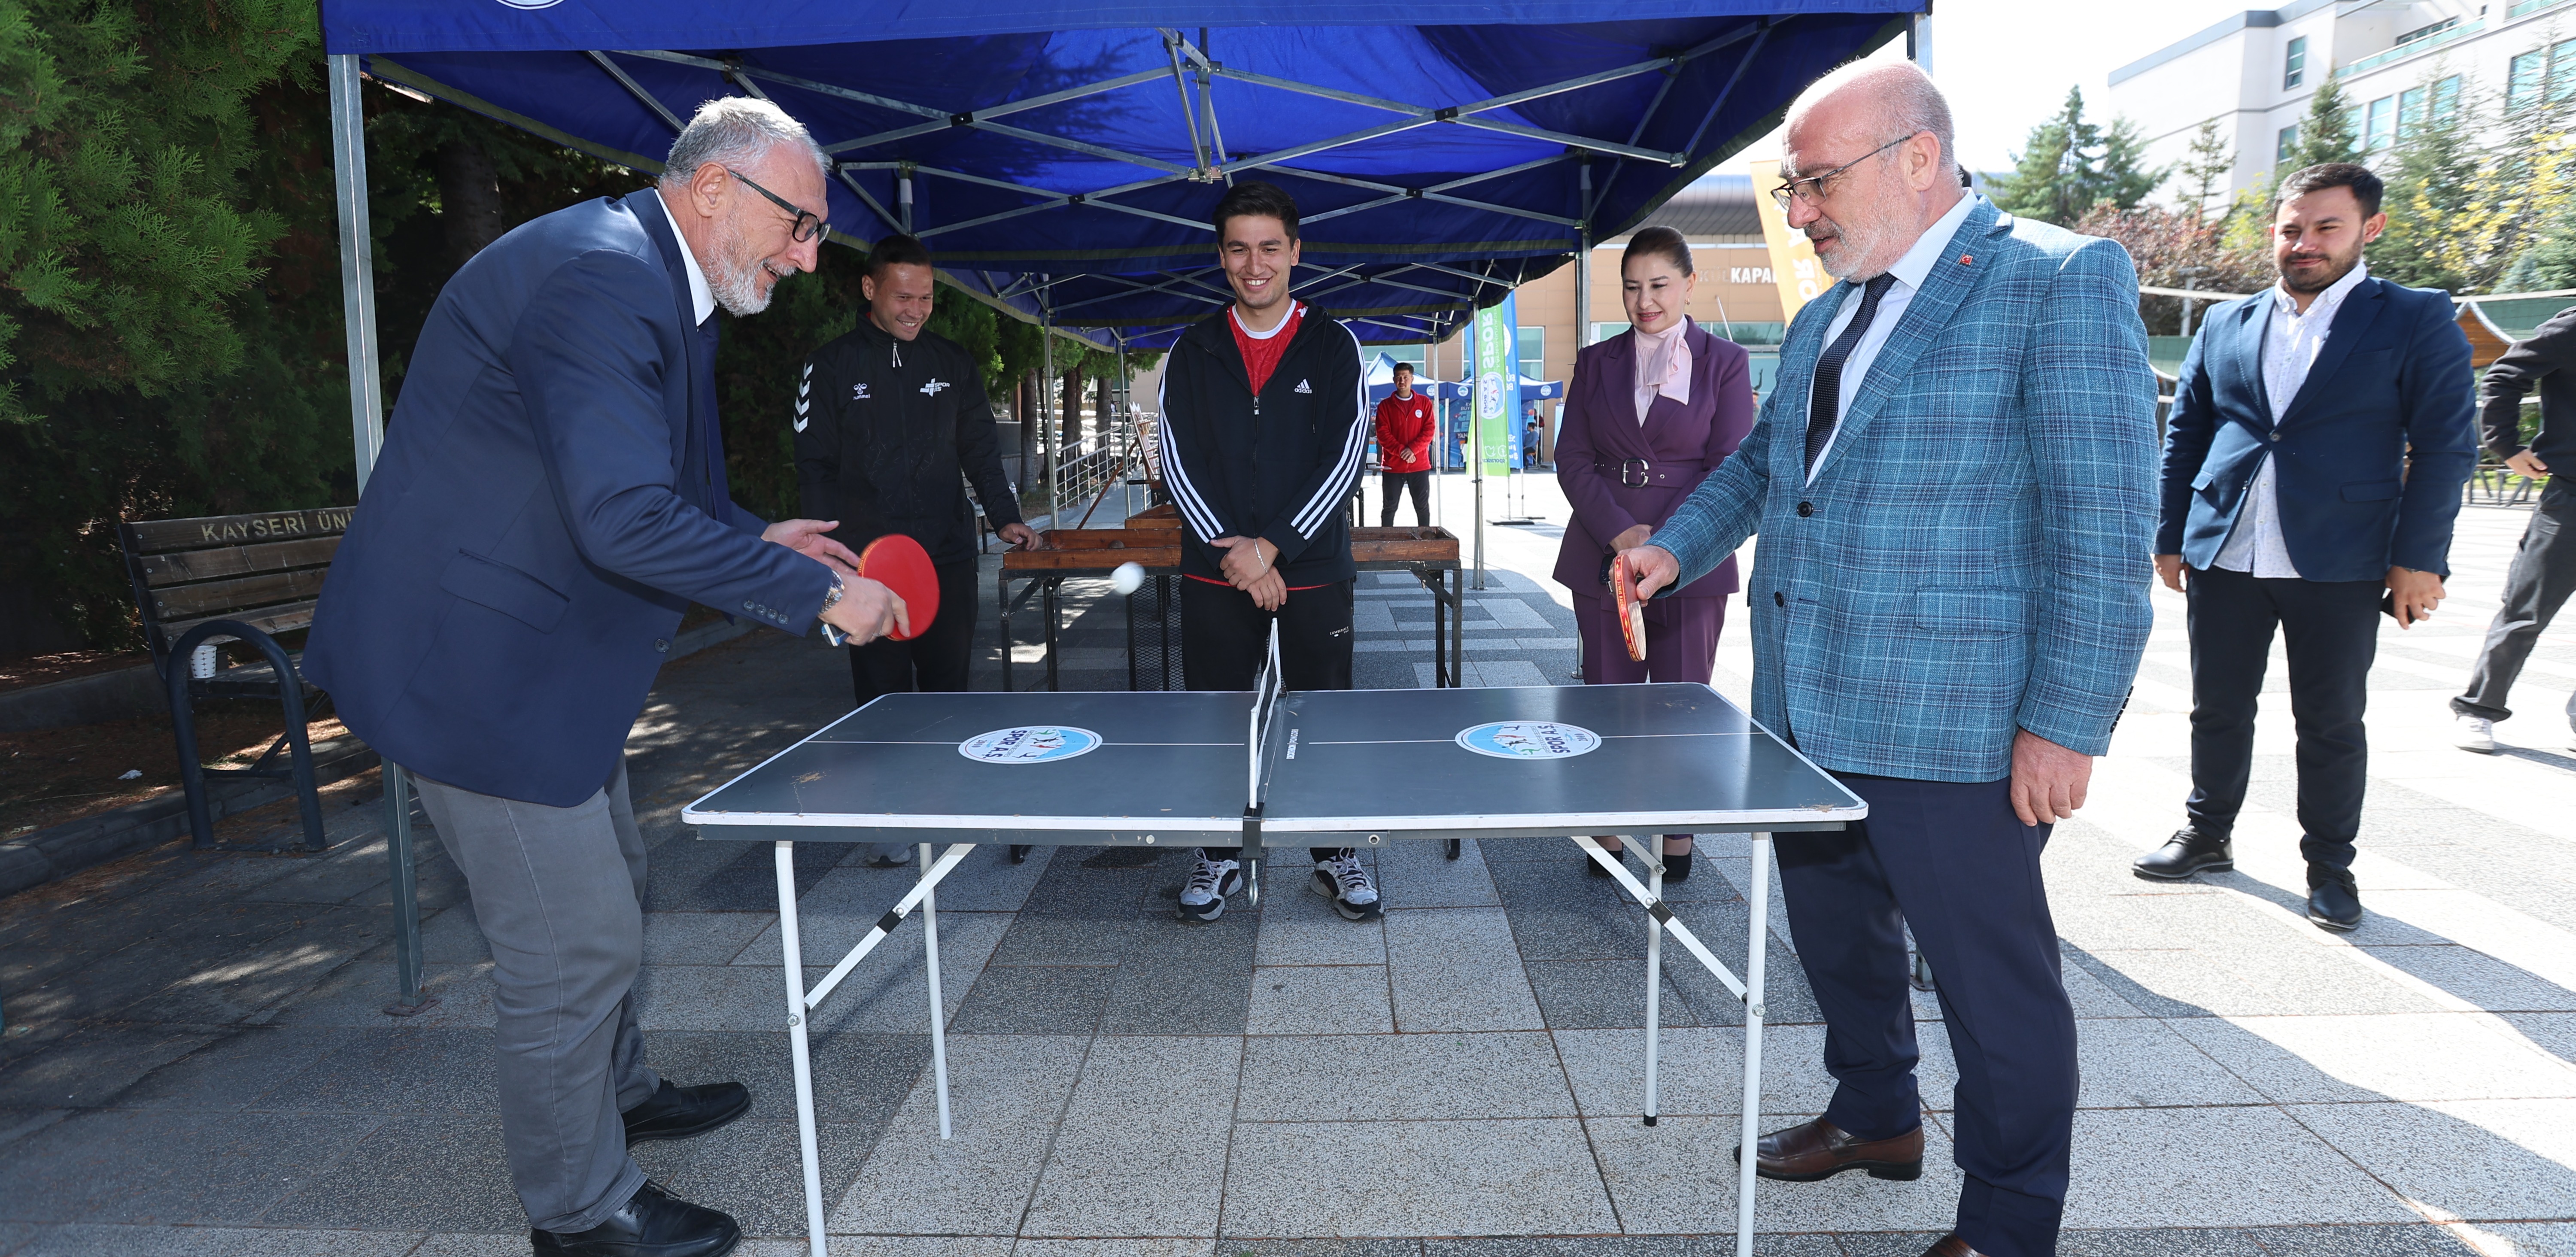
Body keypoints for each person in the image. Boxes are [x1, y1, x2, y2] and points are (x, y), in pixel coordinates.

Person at [304, 99, 905, 1257]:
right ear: (716, 188)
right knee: (573, 940)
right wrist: (824, 595)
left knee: (615, 876)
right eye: (799, 224)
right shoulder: (602, 279)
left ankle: (614, 1093)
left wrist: (753, 537)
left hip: (532, 656)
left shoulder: (649, 272)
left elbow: (646, 481)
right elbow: (623, 516)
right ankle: (580, 1209)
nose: (807, 254)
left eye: (816, 232)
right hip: (474, 670)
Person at [1621, 63, 2154, 1257]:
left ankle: (2013, 1219)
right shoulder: (1825, 312)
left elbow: (2104, 521)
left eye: (1816, 182)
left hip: (1960, 723)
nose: (1799, 212)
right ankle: (1877, 1116)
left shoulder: (2057, 279)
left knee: (1991, 986)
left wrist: (2067, 722)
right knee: (1836, 941)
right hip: (1814, 705)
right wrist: (1673, 548)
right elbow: (1767, 470)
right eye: (1792, 184)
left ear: (1917, 157)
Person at [2143, 161, 2475, 934]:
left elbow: (2446, 445)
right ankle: (2207, 832)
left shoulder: (2417, 317)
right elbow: (2187, 432)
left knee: (2329, 718)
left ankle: (2330, 864)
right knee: (2216, 707)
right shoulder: (2228, 322)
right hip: (2227, 548)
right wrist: (2169, 535)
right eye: (2293, 228)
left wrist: (2419, 558)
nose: (2307, 243)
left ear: (2370, 228)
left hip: (2343, 554)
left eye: (2328, 227)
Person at [1157, 179, 1379, 923]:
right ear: (1222, 256)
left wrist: (1274, 548)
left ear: (1296, 251)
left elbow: (1345, 459)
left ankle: (1333, 850)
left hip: (1312, 568)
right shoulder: (1193, 348)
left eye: (1270, 248)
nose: (1256, 264)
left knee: (1321, 714)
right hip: (1214, 567)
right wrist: (1240, 559)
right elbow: (1178, 461)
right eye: (1240, 248)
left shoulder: (1335, 344)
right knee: (1219, 714)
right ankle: (1219, 848)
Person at [794, 233, 1042, 866]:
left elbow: (982, 452)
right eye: (903, 296)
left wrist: (1007, 518)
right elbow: (814, 465)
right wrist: (828, 550)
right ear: (870, 290)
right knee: (880, 694)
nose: (915, 309)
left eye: (927, 297)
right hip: (867, 564)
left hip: (947, 554)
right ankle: (890, 816)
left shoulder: (952, 363)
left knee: (947, 686)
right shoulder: (829, 367)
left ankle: (950, 800)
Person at [1553, 224, 1754, 883]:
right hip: (1605, 548)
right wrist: (1620, 532)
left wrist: (1671, 544)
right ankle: (1607, 831)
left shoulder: (1725, 361)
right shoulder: (1596, 360)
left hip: (1693, 556)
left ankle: (1677, 832)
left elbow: (1731, 468)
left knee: (1684, 700)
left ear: (1691, 284)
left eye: (1660, 285)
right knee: (1606, 697)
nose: (1646, 301)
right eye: (1633, 288)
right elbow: (1572, 458)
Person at [2451, 301, 2576, 752]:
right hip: (2571, 499)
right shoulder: (2573, 326)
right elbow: (2506, 375)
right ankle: (2478, 709)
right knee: (2527, 611)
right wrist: (2505, 445)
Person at [1373, 361, 1436, 526]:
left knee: (1422, 507)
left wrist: (1413, 450)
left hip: (1419, 465)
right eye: (1399, 378)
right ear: (1394, 380)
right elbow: (1383, 434)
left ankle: (1425, 542)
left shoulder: (1424, 403)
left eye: (1406, 377)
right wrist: (1402, 451)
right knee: (1389, 508)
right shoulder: (1385, 406)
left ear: (1412, 379)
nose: (1402, 381)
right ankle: (1385, 544)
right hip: (1393, 467)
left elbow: (1429, 430)